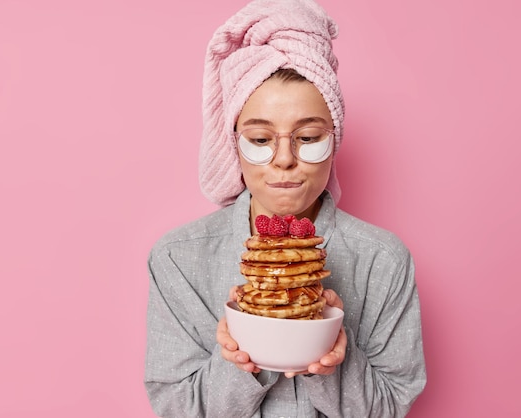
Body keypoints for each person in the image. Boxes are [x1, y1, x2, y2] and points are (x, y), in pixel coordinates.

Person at [144, 0, 426, 416]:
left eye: (308, 136)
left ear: (335, 140)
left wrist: (331, 360)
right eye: (260, 140)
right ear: (234, 145)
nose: (283, 159)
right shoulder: (178, 258)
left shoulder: (383, 259)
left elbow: (392, 406)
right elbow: (175, 406)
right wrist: (239, 361)